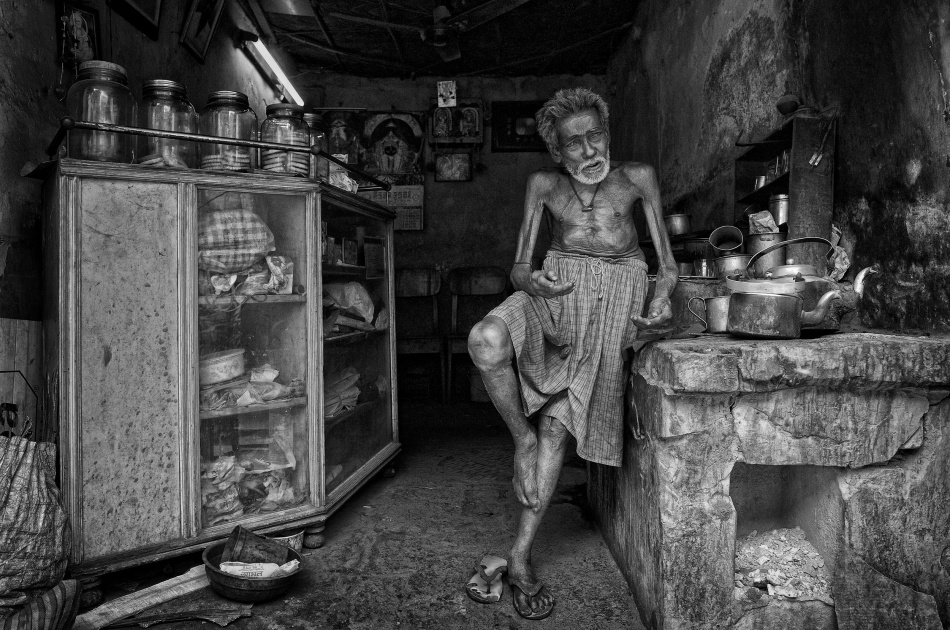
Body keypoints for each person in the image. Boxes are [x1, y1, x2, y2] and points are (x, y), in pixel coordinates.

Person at [466, 87, 677, 620]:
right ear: (557, 153)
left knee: (558, 427)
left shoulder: (638, 178)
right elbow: (519, 267)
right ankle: (521, 439)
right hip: (555, 292)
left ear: (607, 135)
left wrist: (660, 300)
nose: (588, 150)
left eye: (595, 136)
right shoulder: (543, 185)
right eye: (574, 143)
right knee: (485, 341)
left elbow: (668, 266)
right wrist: (530, 280)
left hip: (614, 300)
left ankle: (519, 557)